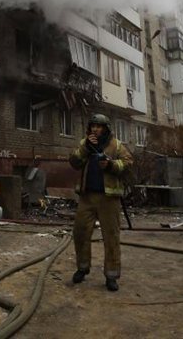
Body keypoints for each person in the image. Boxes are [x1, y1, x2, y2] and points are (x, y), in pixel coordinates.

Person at [69, 113, 133, 292]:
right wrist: (85, 149)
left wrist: (111, 165)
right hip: (86, 197)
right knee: (80, 232)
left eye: (99, 126)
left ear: (106, 128)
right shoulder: (85, 143)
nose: (95, 129)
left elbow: (128, 163)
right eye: (93, 126)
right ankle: (82, 268)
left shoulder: (116, 145)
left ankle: (111, 276)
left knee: (111, 236)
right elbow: (73, 162)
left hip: (109, 199)